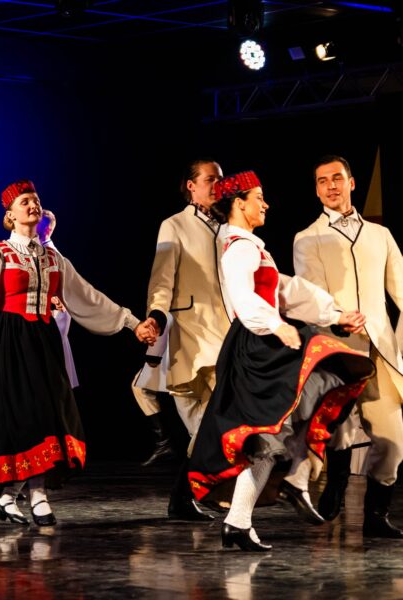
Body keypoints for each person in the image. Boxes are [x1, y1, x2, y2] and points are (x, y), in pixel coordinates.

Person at [0, 179, 156, 526]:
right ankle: (14, 495)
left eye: (35, 200)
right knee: (23, 417)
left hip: (44, 340)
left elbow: (87, 296)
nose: (32, 205)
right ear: (10, 215)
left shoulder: (52, 257)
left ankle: (32, 495)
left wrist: (131, 322)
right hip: (10, 340)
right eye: (24, 202)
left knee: (51, 415)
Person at [187, 171, 375, 551]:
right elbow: (245, 299)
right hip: (257, 346)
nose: (265, 204)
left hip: (263, 343)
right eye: (258, 198)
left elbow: (287, 290)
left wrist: (334, 314)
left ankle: (273, 495)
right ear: (239, 203)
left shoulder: (250, 246)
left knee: (316, 394)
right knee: (273, 430)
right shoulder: (238, 248)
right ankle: (249, 512)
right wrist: (275, 325)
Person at [293, 155, 403, 538]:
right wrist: (338, 316)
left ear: (352, 183)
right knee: (335, 429)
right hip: (335, 347)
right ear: (316, 189)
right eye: (322, 181)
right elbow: (310, 293)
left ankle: (376, 512)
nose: (331, 186)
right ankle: (335, 487)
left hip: (379, 349)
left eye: (337, 178)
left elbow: (401, 288)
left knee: (393, 436)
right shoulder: (307, 237)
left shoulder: (380, 235)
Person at [146, 157, 231, 519]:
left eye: (221, 180)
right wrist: (155, 314)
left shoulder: (229, 225)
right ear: (191, 186)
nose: (217, 186)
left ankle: (185, 496)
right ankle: (192, 495)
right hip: (192, 334)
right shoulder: (175, 225)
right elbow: (162, 278)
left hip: (228, 333)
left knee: (216, 421)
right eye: (210, 179)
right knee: (210, 420)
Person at [36, 209, 78, 389]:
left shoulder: (51, 253)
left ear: (46, 228)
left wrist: (54, 297)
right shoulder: (39, 249)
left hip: (54, 316)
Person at [131, 313, 178, 466]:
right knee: (140, 387)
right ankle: (164, 443)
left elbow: (165, 314)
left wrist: (154, 355)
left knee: (187, 394)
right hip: (172, 346)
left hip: (178, 347)